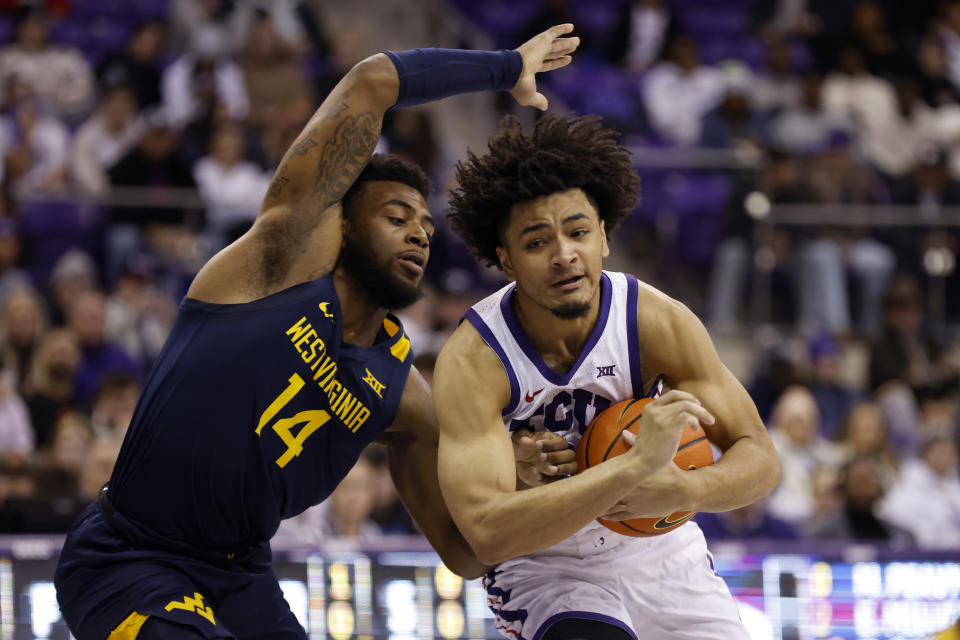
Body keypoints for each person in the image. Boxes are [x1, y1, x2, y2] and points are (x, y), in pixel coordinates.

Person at [54, 25, 581, 640]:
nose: (419, 233)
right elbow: (371, 81)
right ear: (344, 227)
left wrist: (507, 475)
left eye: (425, 227)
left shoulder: (405, 397)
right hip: (129, 555)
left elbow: (466, 555)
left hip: (238, 577)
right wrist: (505, 66)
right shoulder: (273, 268)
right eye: (395, 217)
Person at [434, 113, 781, 640]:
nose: (564, 255)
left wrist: (684, 487)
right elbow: (486, 534)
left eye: (578, 232)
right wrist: (634, 467)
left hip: (662, 551)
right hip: (546, 562)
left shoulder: (654, 320)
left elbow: (759, 457)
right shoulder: (474, 359)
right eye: (536, 243)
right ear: (505, 261)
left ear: (604, 237)